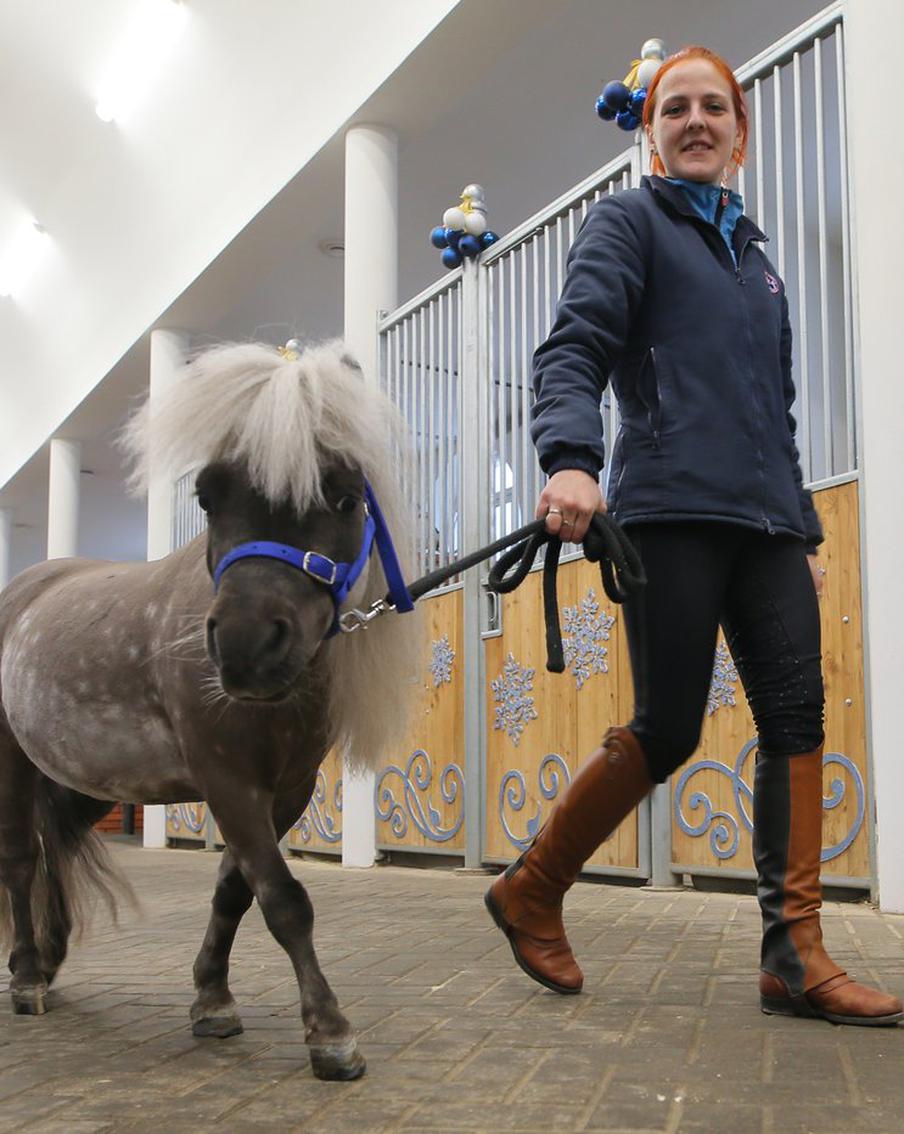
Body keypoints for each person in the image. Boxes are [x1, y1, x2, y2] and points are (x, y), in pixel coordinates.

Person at [485, 45, 902, 1026]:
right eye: (677, 108)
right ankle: (532, 886)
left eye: (715, 107)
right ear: (652, 131)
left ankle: (793, 955)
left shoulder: (757, 266)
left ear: (741, 134)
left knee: (798, 718)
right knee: (669, 727)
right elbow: (572, 350)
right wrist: (569, 459)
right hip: (668, 509)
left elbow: (774, 408)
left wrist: (796, 520)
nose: (697, 120)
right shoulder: (627, 223)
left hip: (764, 524)